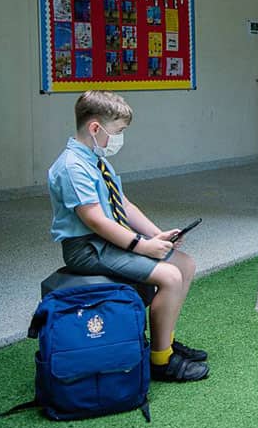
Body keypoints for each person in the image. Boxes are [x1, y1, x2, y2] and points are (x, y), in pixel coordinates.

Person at [47, 90, 208, 382]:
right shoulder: (72, 167)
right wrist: (143, 246)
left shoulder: (96, 160)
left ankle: (166, 342)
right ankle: (161, 360)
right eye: (117, 131)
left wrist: (156, 234)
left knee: (185, 264)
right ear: (95, 128)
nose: (119, 139)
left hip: (109, 241)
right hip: (88, 248)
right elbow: (95, 220)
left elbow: (123, 204)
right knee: (170, 276)